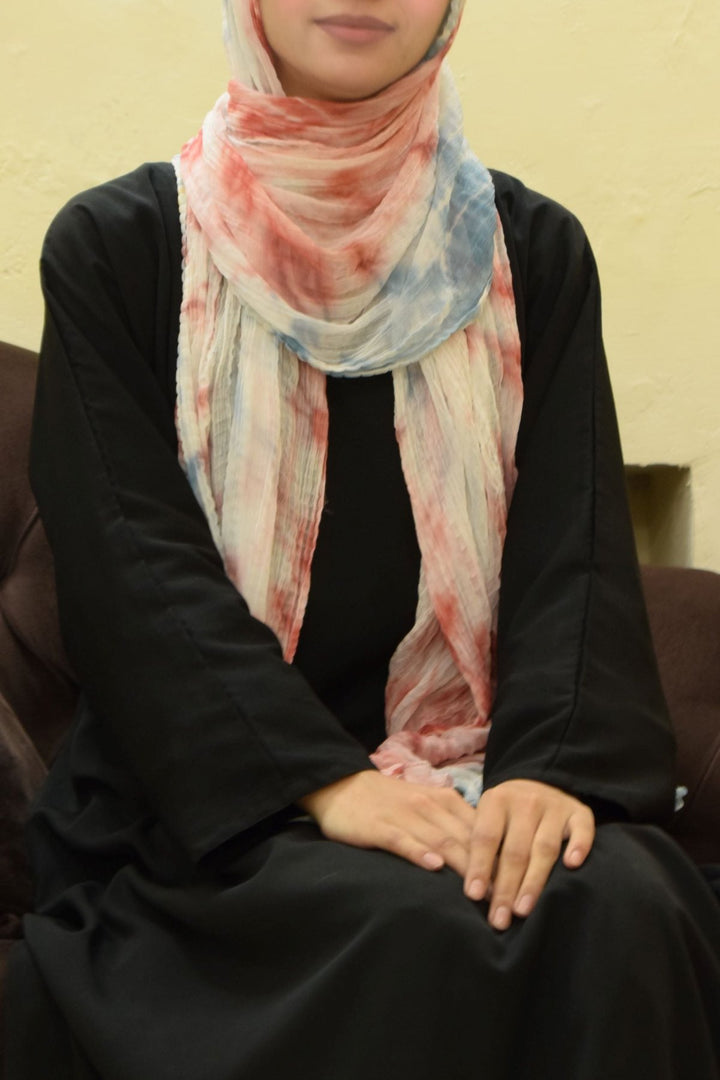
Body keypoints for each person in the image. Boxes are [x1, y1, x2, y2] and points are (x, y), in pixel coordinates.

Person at [5, 0, 720, 1076]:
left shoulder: (532, 252)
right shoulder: (120, 249)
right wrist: (325, 784)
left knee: (628, 904)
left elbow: (572, 553)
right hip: (210, 819)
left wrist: (545, 772)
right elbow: (132, 575)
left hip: (479, 770)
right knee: (425, 927)